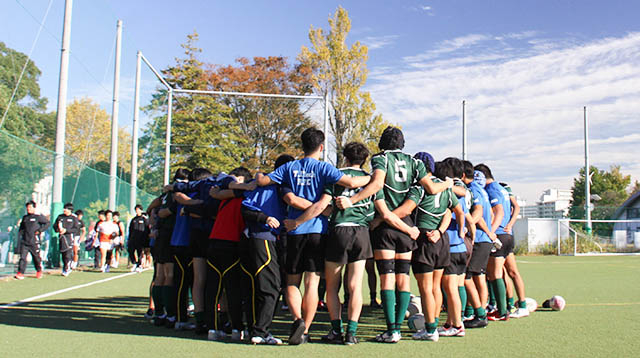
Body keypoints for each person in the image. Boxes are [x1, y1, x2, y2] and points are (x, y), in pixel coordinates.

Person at [335, 127, 453, 344]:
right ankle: (398, 328)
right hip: (407, 226)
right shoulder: (415, 162)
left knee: (387, 279)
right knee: (403, 280)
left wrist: (353, 200)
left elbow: (378, 183)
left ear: (382, 142)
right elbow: (431, 188)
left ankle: (392, 331)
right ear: (402, 143)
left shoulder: (381, 159)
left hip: (386, 227)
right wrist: (447, 183)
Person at [255, 128, 370, 345]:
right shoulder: (324, 168)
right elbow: (353, 184)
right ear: (321, 147)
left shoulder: (289, 167)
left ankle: (297, 320)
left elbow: (266, 184)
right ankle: (305, 329)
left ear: (302, 145)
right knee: (312, 283)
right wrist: (374, 178)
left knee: (291, 283)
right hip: (318, 230)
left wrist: (258, 176)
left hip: (294, 232)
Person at [285, 142, 378, 345]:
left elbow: (323, 204)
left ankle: (336, 330)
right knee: (354, 286)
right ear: (364, 160)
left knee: (332, 286)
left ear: (344, 157)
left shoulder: (334, 175)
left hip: (338, 230)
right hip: (361, 231)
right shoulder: (370, 180)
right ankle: (351, 334)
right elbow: (374, 209)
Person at [389, 155, 463, 342]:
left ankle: (430, 330)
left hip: (424, 239)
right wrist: (440, 230)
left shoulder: (420, 187)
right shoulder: (445, 187)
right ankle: (434, 323)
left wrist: (383, 218)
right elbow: (454, 211)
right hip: (441, 239)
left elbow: (406, 210)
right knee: (436, 287)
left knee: (425, 289)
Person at [240, 154, 295, 345]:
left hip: (256, 238)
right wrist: (265, 218)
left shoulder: (261, 184)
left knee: (257, 286)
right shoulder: (276, 186)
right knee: (271, 285)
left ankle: (253, 329)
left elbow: (244, 205)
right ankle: (260, 331)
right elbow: (246, 209)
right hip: (263, 238)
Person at [474, 163, 511, 321]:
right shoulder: (501, 188)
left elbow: (499, 212)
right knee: (501, 273)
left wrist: (491, 232)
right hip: (505, 233)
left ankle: (502, 311)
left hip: (499, 234)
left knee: (495, 273)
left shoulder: (491, 189)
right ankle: (502, 306)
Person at [463, 170, 497, 329]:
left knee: (467, 276)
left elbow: (479, 213)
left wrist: (466, 226)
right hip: (485, 238)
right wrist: (490, 232)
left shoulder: (472, 190)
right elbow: (488, 213)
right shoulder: (481, 190)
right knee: (479, 276)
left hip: (480, 239)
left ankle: (479, 313)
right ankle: (478, 312)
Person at [499, 182, 529, 318]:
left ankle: (521, 305)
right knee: (505, 271)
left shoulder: (503, 188)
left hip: (504, 234)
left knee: (509, 271)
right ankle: (511, 304)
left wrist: (510, 224)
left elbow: (516, 207)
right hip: (505, 234)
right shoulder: (498, 188)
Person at [15, 201, 49, 279]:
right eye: (27, 207)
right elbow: (21, 229)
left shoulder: (38, 217)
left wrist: (40, 230)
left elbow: (47, 223)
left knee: (36, 258)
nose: (28, 209)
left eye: (30, 207)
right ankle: (20, 273)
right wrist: (19, 239)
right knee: (23, 258)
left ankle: (39, 270)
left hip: (34, 242)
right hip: (25, 242)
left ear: (34, 208)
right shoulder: (25, 218)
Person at [53, 203, 80, 276]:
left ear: (70, 210)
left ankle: (67, 269)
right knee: (63, 254)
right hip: (62, 239)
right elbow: (55, 226)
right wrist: (58, 229)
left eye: (66, 209)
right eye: (64, 208)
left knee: (68, 254)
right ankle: (66, 266)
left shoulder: (74, 218)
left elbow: (76, 229)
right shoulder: (60, 217)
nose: (64, 210)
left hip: (70, 238)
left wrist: (66, 230)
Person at [128, 205, 149, 272]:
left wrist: (146, 239)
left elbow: (147, 228)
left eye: (138, 209)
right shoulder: (134, 219)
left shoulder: (144, 219)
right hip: (133, 238)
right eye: (136, 210)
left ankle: (139, 265)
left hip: (141, 239)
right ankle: (134, 263)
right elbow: (130, 229)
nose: (137, 211)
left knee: (139, 252)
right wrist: (129, 239)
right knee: (130, 250)